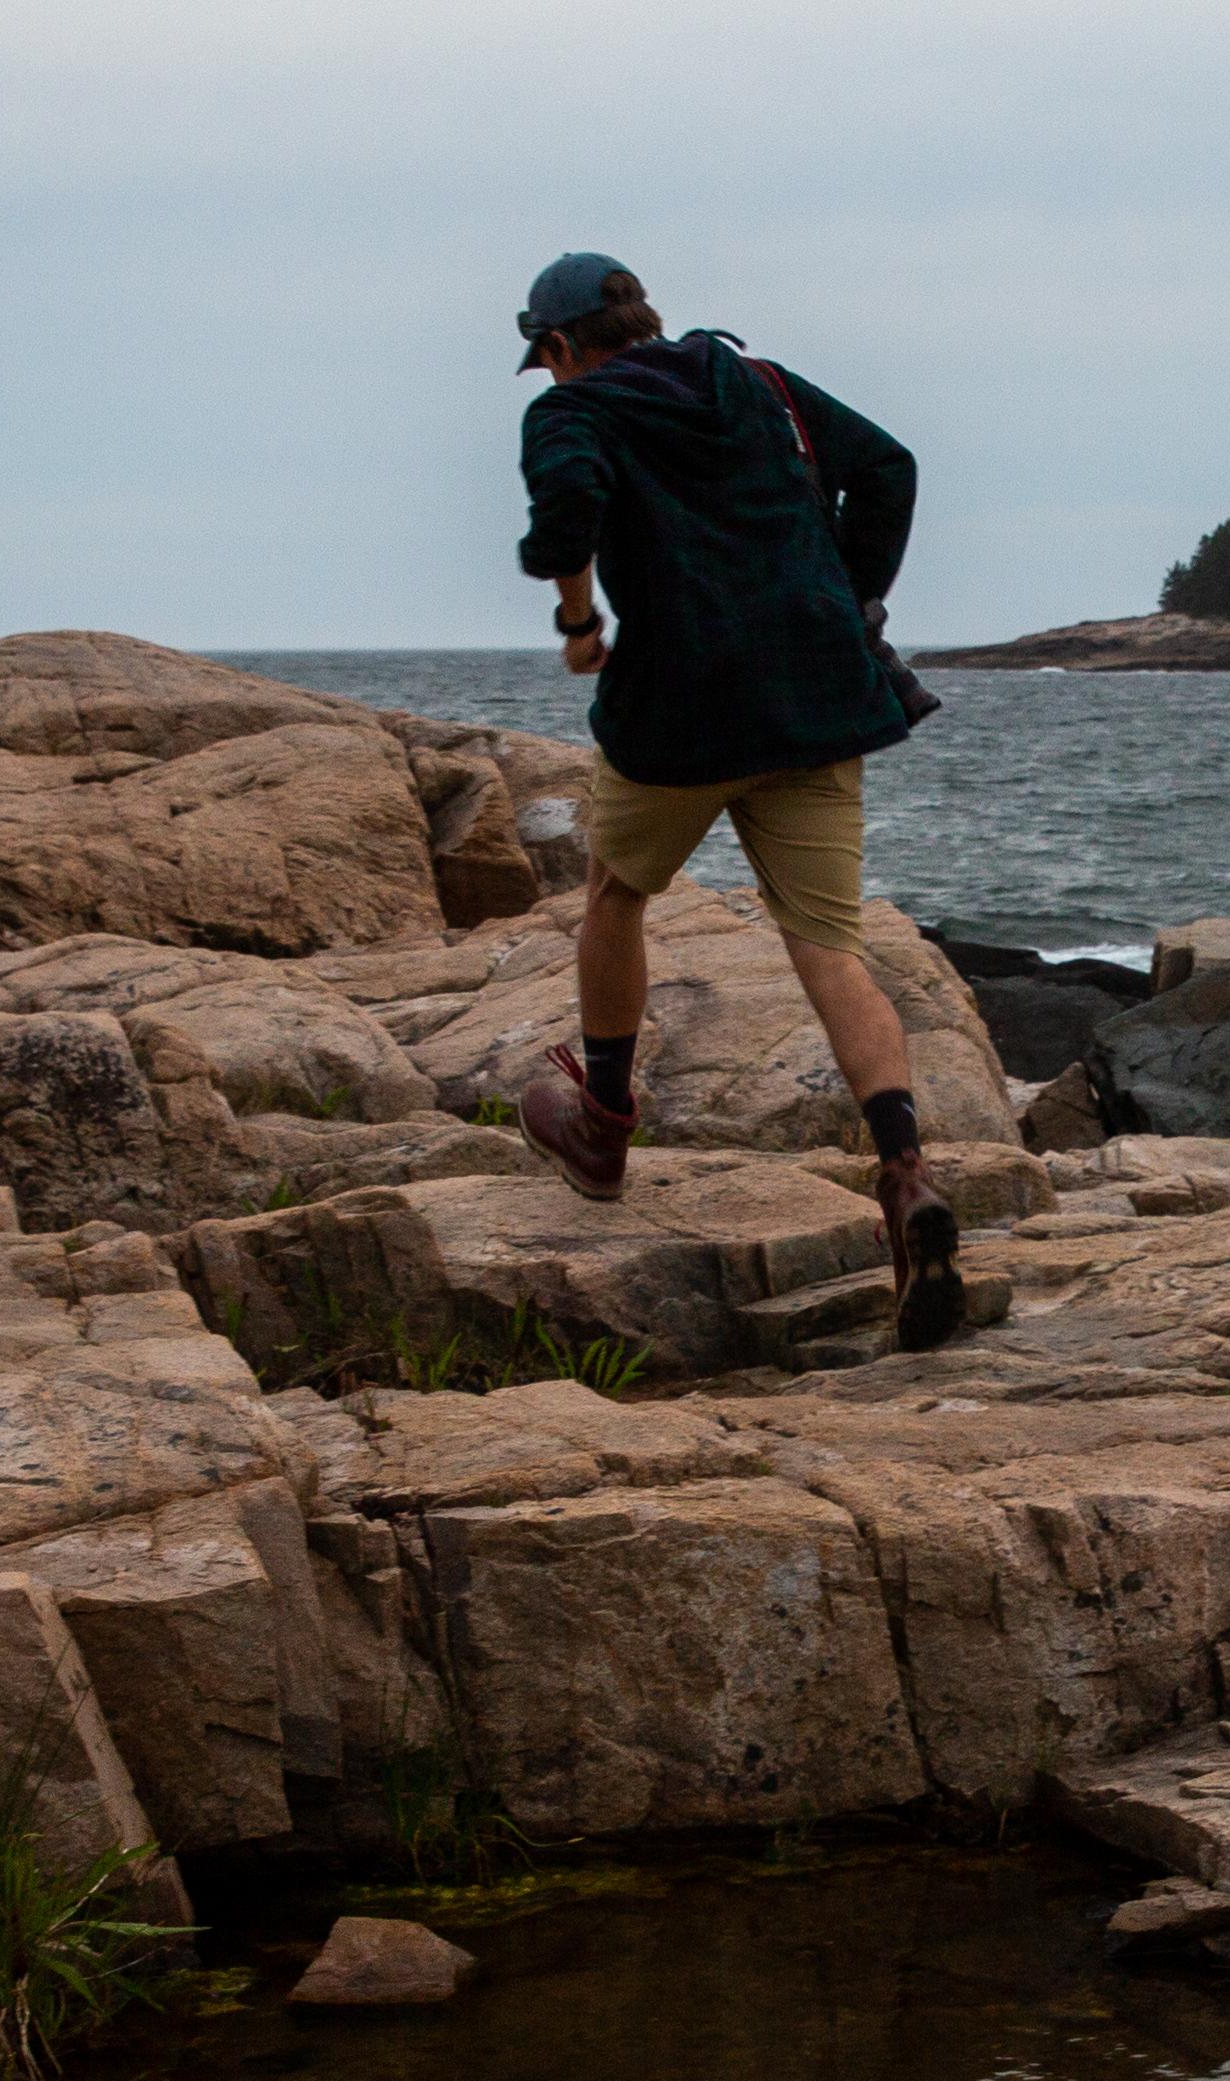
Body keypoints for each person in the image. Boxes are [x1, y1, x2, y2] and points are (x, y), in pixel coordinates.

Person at [505, 253, 965, 1349]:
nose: (546, 377)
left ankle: (603, 1127)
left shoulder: (574, 408)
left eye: (544, 360)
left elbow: (568, 509)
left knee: (616, 892)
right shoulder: (756, 382)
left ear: (562, 347)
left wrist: (577, 617)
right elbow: (889, 466)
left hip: (683, 713)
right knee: (829, 944)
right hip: (819, 696)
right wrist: (847, 592)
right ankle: (904, 1171)